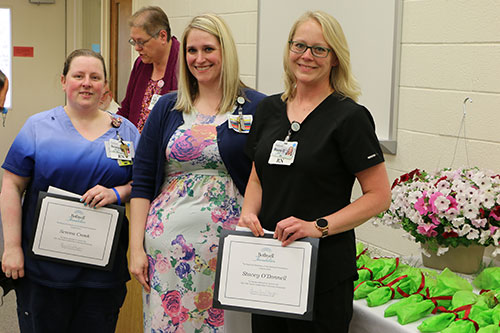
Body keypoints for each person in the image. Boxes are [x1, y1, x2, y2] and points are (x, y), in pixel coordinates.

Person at [239, 11, 391, 333]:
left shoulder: (350, 117)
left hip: (324, 272)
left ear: (335, 58)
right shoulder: (268, 110)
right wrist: (248, 213)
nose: (307, 56)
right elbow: (257, 176)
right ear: (289, 50)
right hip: (269, 268)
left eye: (319, 49)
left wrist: (316, 226)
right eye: (300, 46)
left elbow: (379, 197)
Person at [129, 13, 266, 332]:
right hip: (167, 254)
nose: (199, 58)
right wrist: (136, 249)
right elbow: (143, 181)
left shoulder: (257, 107)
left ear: (225, 52)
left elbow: (269, 177)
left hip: (231, 250)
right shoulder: (167, 107)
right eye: (192, 50)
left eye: (208, 49)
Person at [0, 49, 140, 333]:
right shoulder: (38, 127)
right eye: (79, 76)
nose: (86, 83)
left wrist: (119, 192)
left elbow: (143, 186)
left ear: (106, 86)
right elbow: (11, 186)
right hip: (43, 271)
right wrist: (12, 247)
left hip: (101, 273)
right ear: (64, 81)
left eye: (95, 77)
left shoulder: (126, 131)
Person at [117, 6, 180, 133]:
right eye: (133, 42)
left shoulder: (184, 63)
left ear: (162, 36)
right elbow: (127, 108)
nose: (137, 48)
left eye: (141, 42)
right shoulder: (141, 64)